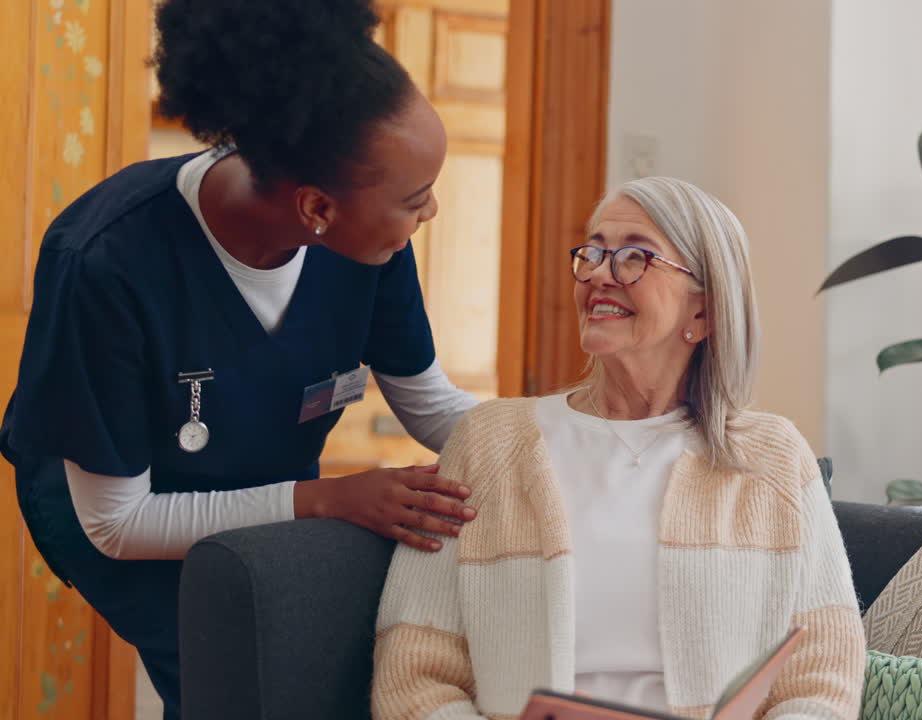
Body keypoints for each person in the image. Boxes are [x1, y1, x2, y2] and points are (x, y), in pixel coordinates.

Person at [0, 1, 480, 716]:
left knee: (314, 663)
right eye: (417, 199)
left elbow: (431, 405)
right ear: (318, 209)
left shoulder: (370, 242)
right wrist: (325, 500)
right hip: (112, 501)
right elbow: (117, 522)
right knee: (242, 675)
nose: (430, 212)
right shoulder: (107, 261)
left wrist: (565, 440)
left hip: (265, 473)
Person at [372, 177, 866, 720]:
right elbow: (414, 673)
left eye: (635, 257)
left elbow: (824, 674)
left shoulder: (774, 457)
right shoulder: (489, 442)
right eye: (593, 253)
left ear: (702, 313)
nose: (599, 275)